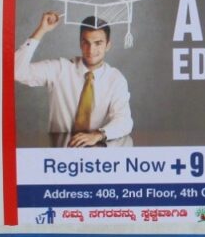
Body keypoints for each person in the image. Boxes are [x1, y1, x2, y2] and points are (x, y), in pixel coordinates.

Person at [15, 12, 133, 147]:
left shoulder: (116, 79)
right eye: (86, 42)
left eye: (98, 43)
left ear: (108, 45)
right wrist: (42, 30)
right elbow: (16, 71)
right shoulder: (59, 69)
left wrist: (98, 134)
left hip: (99, 153)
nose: (91, 49)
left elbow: (124, 120)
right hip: (59, 152)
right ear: (80, 43)